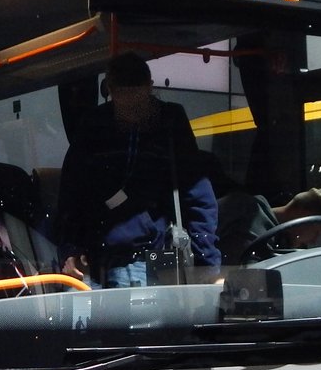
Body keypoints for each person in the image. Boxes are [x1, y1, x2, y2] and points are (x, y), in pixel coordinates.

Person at [56, 52, 219, 288]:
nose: (132, 110)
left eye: (138, 99)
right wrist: (69, 248)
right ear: (110, 90)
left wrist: (205, 263)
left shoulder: (170, 122)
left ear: (150, 88)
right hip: (97, 260)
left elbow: (196, 195)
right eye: (125, 97)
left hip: (150, 257)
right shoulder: (93, 125)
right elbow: (72, 194)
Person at [217, 187, 321, 262]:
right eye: (316, 232)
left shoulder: (283, 245)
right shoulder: (245, 211)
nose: (314, 241)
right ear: (304, 215)